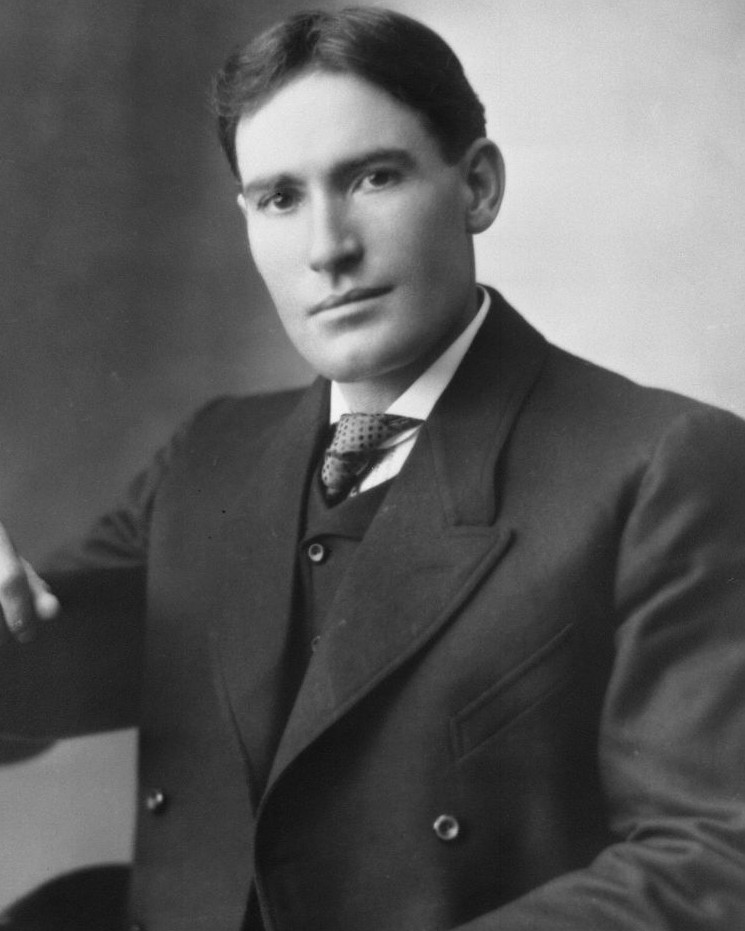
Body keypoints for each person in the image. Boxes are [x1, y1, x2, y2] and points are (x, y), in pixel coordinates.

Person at [2, 6, 745, 930]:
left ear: (477, 186)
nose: (327, 249)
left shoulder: (661, 466)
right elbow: (40, 675)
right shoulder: (210, 455)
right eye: (280, 198)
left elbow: (711, 856)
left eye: (373, 178)